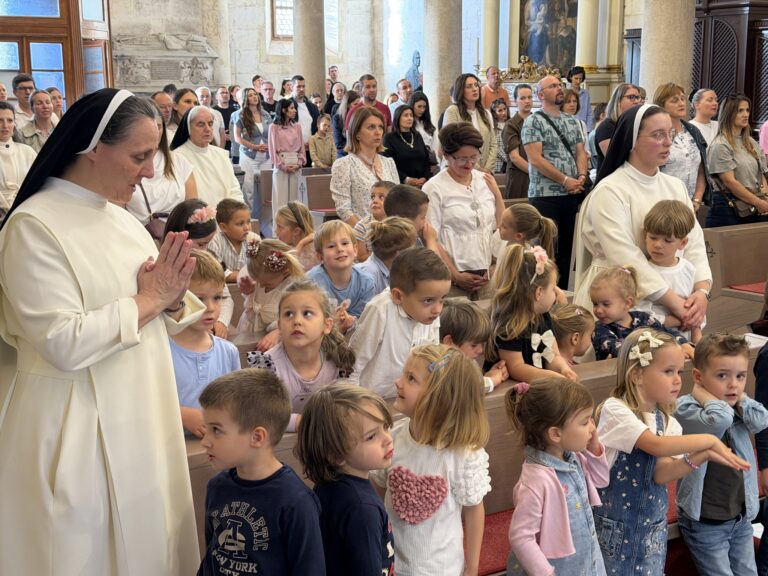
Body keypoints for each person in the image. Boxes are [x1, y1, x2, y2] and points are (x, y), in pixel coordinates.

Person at [0, 88, 203, 575]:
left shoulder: (123, 220)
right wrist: (151, 299)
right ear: (92, 147)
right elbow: (62, 342)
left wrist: (169, 297)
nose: (151, 172)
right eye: (139, 156)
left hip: (141, 414)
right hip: (73, 428)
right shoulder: (33, 226)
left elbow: (146, 306)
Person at [594, 329, 750, 575]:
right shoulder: (616, 410)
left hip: (649, 532)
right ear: (637, 375)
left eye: (679, 372)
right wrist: (708, 440)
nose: (678, 380)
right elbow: (655, 445)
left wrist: (703, 456)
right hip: (617, 528)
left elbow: (662, 473)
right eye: (668, 371)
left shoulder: (667, 421)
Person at [573, 104, 712, 335]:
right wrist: (678, 306)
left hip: (678, 301)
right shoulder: (611, 190)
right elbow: (625, 257)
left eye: (671, 134)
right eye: (658, 135)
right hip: (616, 302)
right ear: (632, 140)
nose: (668, 142)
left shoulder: (674, 186)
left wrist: (701, 293)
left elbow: (694, 243)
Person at [370, 345, 491, 576]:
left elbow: (474, 510)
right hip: (394, 564)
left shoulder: (461, 454)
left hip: (442, 568)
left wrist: (472, 568)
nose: (398, 382)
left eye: (411, 378)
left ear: (439, 398)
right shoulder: (392, 438)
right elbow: (378, 489)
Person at [198, 370, 325, 575]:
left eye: (216, 430)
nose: (205, 441)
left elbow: (310, 569)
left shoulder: (295, 502)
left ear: (257, 437)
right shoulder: (217, 487)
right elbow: (212, 558)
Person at [676, 334, 768, 576]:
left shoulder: (738, 405)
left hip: (740, 518)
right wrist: (704, 395)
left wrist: (741, 398)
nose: (733, 385)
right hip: (705, 521)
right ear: (698, 377)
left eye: (740, 376)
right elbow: (719, 419)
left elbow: (762, 420)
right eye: (722, 376)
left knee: (749, 572)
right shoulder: (686, 407)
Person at [506, 377, 608, 575]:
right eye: (585, 422)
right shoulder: (536, 480)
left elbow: (602, 480)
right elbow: (520, 537)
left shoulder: (573, 458)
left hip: (587, 562)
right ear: (555, 434)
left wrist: (594, 448)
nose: (592, 427)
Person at [295, 383, 395, 576]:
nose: (387, 439)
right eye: (371, 436)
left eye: (385, 427)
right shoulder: (362, 508)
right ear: (335, 454)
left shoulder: (329, 485)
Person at [246, 279, 355, 431]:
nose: (297, 320)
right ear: (279, 326)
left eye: (307, 313)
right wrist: (308, 423)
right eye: (288, 314)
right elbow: (264, 415)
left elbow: (347, 407)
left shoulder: (338, 360)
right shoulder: (266, 364)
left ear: (327, 325)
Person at [349, 246, 450, 398]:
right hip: (371, 401)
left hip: (407, 401)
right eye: (428, 300)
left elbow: (430, 362)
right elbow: (353, 366)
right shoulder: (380, 311)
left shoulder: (430, 315)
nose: (437, 309)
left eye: (442, 300)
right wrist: (358, 405)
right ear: (398, 296)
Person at [424, 122, 505, 299]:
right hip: (452, 276)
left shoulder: (483, 179)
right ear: (446, 155)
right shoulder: (434, 188)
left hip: (487, 274)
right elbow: (432, 237)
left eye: (474, 157)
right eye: (462, 158)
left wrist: (494, 264)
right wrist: (455, 275)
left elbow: (499, 226)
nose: (469, 164)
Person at [523, 75, 589, 289]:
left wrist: (581, 176)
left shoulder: (572, 121)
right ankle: (540, 294)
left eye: (560, 85)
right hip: (545, 195)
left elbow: (581, 152)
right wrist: (564, 180)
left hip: (570, 194)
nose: (559, 89)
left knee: (567, 252)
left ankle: (560, 295)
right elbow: (536, 159)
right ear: (541, 95)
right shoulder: (534, 120)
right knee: (544, 252)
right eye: (553, 86)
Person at [170, 249, 240, 438]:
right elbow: (144, 401)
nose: (210, 308)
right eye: (199, 299)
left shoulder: (228, 352)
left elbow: (235, 404)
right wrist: (181, 414)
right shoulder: (161, 351)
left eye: (217, 297)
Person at [487, 244, 577, 382]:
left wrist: (563, 369)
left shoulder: (543, 317)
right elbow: (516, 367)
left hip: (539, 384)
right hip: (512, 392)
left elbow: (552, 355)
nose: (557, 293)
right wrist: (552, 376)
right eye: (553, 288)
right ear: (539, 293)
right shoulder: (510, 323)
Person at [163, 199, 235, 337]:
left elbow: (225, 297)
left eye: (209, 243)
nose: (205, 250)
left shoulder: (210, 259)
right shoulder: (167, 269)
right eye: (201, 244)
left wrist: (221, 322)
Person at [590, 266, 693, 361]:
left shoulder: (643, 318)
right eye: (595, 304)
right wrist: (667, 353)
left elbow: (666, 333)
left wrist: (683, 344)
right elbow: (619, 351)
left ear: (627, 302)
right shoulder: (600, 328)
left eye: (605, 304)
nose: (598, 310)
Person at [125, 99, 197, 228]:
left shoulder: (179, 161)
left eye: (158, 126)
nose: (155, 133)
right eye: (147, 127)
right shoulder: (122, 164)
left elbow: (192, 208)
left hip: (178, 234)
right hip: (137, 234)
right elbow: (117, 212)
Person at [641, 199, 703, 342]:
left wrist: (698, 343)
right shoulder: (644, 272)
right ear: (645, 235)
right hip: (653, 343)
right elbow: (639, 317)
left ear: (683, 243)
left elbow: (696, 313)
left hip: (685, 343)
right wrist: (677, 321)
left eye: (667, 241)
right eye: (653, 237)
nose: (657, 245)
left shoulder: (688, 269)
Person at [706, 93, 768, 227]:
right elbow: (730, 182)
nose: (745, 114)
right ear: (729, 114)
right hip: (727, 209)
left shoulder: (751, 142)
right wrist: (759, 203)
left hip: (751, 205)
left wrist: (764, 199)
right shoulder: (721, 144)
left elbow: (762, 174)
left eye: (747, 110)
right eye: (740, 111)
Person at [331, 107, 398, 225]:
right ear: (357, 133)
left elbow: (398, 200)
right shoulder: (344, 164)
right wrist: (367, 233)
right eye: (371, 127)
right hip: (361, 234)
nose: (378, 132)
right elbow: (343, 209)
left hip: (390, 232)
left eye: (380, 127)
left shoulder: (389, 162)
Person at [236, 237, 304, 347]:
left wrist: (278, 331)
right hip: (250, 329)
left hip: (277, 339)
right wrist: (248, 292)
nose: (261, 286)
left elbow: (296, 318)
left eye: (266, 284)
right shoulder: (259, 272)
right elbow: (251, 302)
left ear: (285, 273)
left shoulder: (295, 289)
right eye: (257, 281)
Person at [171, 106, 244, 207]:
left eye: (210, 124)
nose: (208, 129)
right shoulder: (177, 157)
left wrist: (234, 213)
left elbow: (234, 189)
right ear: (188, 127)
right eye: (201, 125)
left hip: (227, 218)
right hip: (198, 218)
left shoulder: (220, 154)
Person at [306, 220, 375, 322]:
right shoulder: (311, 282)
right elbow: (308, 318)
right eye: (331, 246)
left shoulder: (366, 282)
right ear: (320, 256)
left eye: (344, 243)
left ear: (355, 250)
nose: (340, 249)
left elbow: (362, 320)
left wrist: (349, 322)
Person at [653, 83, 710, 205]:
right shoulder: (656, 134)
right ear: (662, 105)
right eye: (674, 100)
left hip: (690, 203)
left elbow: (701, 168)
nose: (681, 103)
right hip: (662, 203)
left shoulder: (693, 130)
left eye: (682, 99)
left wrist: (697, 199)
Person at [439, 297, 508, 393]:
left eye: (483, 343)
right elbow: (466, 389)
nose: (480, 350)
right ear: (449, 342)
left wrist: (489, 375)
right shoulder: (440, 366)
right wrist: (492, 380)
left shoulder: (468, 362)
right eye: (474, 345)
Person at [442, 73, 498, 173]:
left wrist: (487, 169)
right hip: (459, 169)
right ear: (460, 90)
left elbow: (493, 143)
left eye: (476, 85)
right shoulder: (453, 111)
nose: (475, 89)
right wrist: (477, 168)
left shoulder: (485, 113)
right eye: (469, 86)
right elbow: (451, 143)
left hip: (484, 171)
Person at [234, 86, 272, 218]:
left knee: (265, 189)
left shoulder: (265, 114)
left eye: (255, 94)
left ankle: (265, 222)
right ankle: (250, 220)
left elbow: (272, 133)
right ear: (245, 98)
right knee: (248, 190)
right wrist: (254, 147)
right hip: (249, 156)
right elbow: (238, 138)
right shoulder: (240, 115)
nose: (254, 97)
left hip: (266, 157)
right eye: (250, 95)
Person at [268, 98, 305, 234]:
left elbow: (301, 148)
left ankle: (295, 231)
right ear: (283, 110)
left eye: (295, 108)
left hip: (295, 165)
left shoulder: (297, 126)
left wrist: (300, 162)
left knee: (295, 201)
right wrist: (282, 166)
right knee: (280, 200)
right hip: (281, 166)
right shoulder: (274, 127)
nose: (294, 110)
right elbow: (272, 151)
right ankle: (278, 233)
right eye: (291, 108)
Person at [357, 216, 418, 294]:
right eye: (412, 248)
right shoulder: (368, 275)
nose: (415, 252)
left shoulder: (394, 269)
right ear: (399, 254)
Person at [0, 102, 36, 218]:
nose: (5, 125)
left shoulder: (27, 152)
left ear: (14, 124)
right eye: (0, 120)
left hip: (26, 211)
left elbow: (37, 182)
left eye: (10, 120)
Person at [594, 83, 641, 172]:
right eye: (631, 97)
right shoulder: (606, 127)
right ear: (618, 100)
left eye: (638, 97)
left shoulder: (637, 126)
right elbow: (614, 160)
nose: (637, 101)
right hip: (611, 180)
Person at [493, 202, 557, 264]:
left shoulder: (526, 260)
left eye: (504, 226)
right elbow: (496, 261)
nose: (498, 226)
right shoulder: (502, 240)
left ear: (518, 236)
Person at [383, 104, 431, 186]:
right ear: (398, 118)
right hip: (401, 185)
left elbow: (426, 160)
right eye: (405, 115)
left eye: (411, 115)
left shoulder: (417, 136)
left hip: (422, 183)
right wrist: (406, 179)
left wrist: (425, 177)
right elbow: (388, 165)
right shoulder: (389, 138)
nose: (409, 118)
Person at [207, 198, 255, 281]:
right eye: (240, 224)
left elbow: (260, 267)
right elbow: (218, 273)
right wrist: (250, 275)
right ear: (223, 227)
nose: (247, 227)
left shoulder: (254, 240)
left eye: (248, 222)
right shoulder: (215, 243)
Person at [503, 83, 534, 198]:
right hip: (519, 177)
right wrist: (536, 172)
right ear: (515, 101)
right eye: (522, 98)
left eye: (530, 97)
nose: (527, 101)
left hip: (538, 176)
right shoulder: (511, 125)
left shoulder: (538, 121)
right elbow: (515, 158)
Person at [274, 201, 317, 270]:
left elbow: (290, 270)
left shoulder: (315, 250)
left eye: (280, 227)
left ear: (296, 231)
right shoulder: (278, 246)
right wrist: (301, 244)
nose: (275, 231)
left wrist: (301, 244)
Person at [291, 74, 320, 164]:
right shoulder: (287, 105)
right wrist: (300, 144)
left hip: (310, 149)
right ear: (292, 87)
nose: (302, 89)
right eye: (298, 86)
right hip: (293, 150)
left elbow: (317, 127)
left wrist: (312, 142)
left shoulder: (312, 107)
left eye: (303, 86)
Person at [332, 89, 360, 158]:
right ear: (347, 105)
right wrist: (354, 148)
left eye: (359, 104)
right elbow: (338, 144)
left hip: (359, 155)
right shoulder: (337, 118)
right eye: (355, 104)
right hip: (344, 155)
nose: (358, 107)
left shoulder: (360, 118)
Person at [567, 65, 593, 131]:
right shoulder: (565, 92)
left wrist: (588, 130)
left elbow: (589, 113)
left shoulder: (585, 94)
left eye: (580, 79)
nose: (578, 81)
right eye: (576, 78)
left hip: (582, 127)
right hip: (568, 127)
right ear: (571, 77)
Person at [491, 98, 509, 174]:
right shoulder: (493, 128)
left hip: (511, 165)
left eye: (505, 109)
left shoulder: (511, 125)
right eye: (500, 111)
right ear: (495, 113)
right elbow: (496, 147)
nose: (503, 113)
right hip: (498, 165)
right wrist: (509, 159)